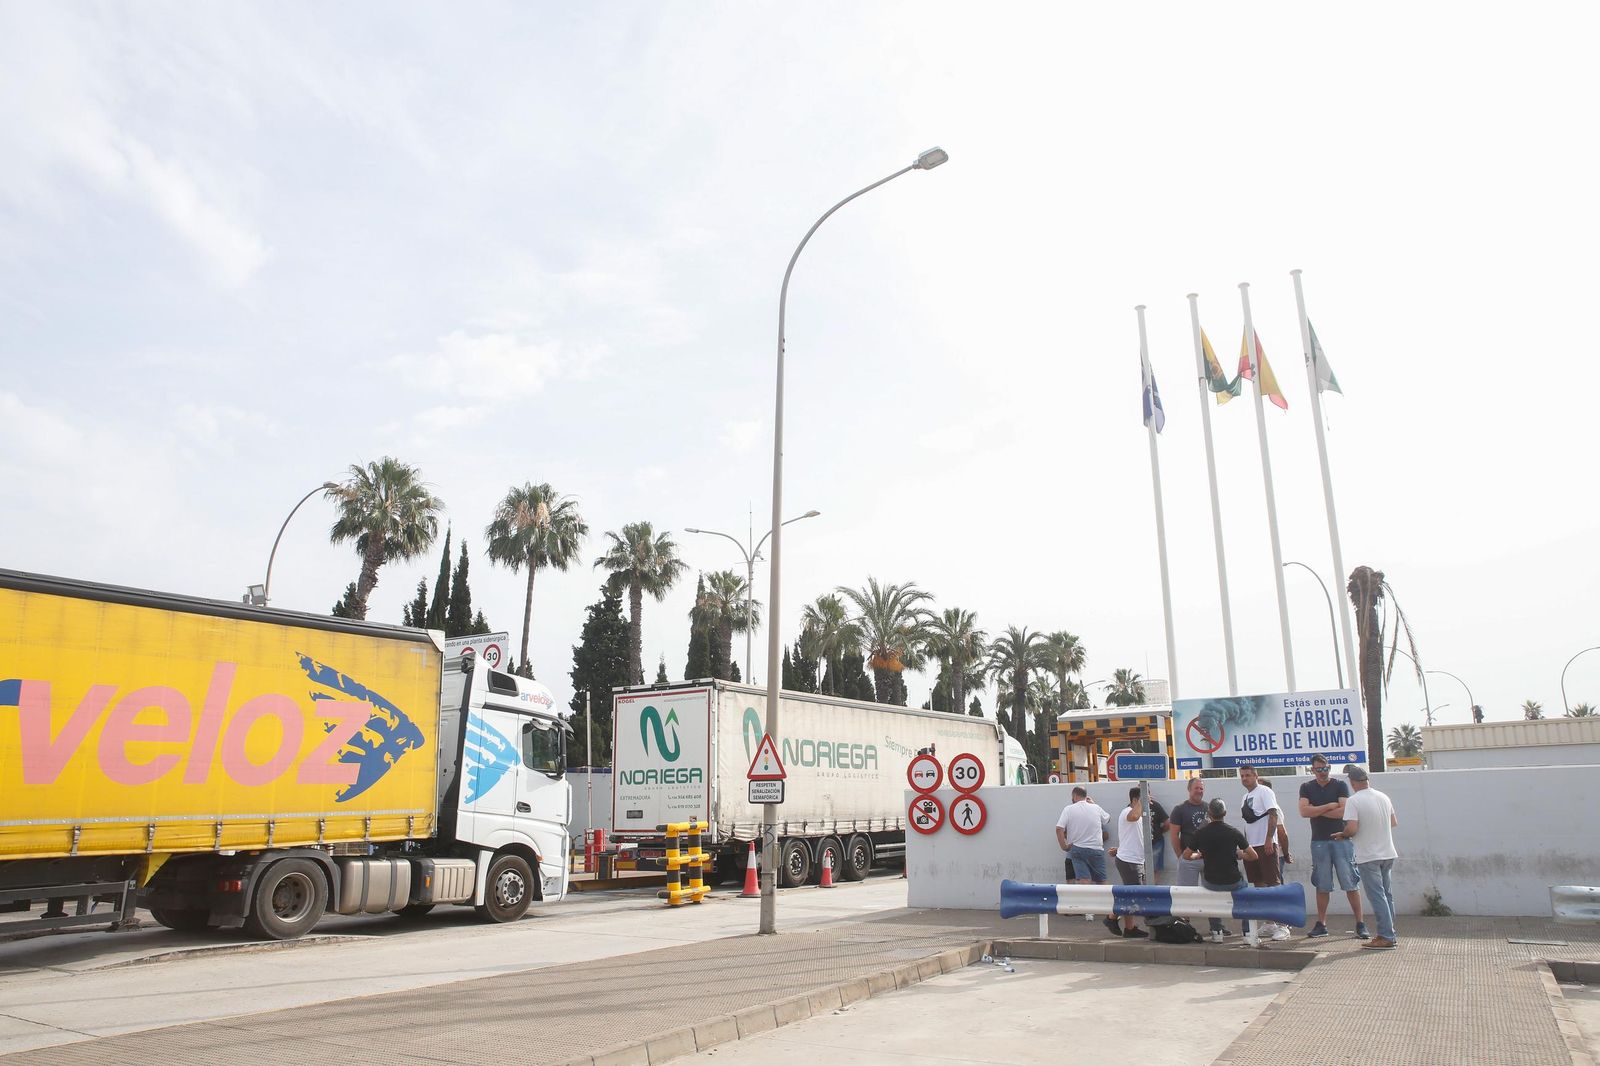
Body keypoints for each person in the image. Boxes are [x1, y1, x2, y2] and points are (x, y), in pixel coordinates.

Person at [1297, 753, 1368, 939]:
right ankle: (1322, 924)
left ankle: (1360, 923)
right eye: (1319, 769)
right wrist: (1329, 805)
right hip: (1319, 841)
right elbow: (1304, 811)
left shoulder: (1340, 785)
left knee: (1350, 882)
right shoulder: (1306, 787)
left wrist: (1317, 811)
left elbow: (1344, 811)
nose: (1323, 772)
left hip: (1341, 840)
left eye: (1326, 768)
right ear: (1312, 770)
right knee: (1322, 884)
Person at [1337, 765, 1398, 949]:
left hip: (1368, 855)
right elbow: (1393, 822)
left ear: (1352, 782)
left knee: (1377, 896)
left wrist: (1343, 834)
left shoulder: (1354, 801)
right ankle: (1388, 933)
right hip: (1388, 852)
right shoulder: (1383, 797)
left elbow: (1352, 828)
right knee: (1387, 895)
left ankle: (1386, 937)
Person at [1183, 798, 1259, 944]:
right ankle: (1247, 933)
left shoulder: (1201, 833)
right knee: (1245, 896)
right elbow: (1253, 856)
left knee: (1210, 897)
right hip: (1233, 881)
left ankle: (1217, 932)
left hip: (1212, 881)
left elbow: (1186, 855)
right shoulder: (1233, 832)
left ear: (1209, 814)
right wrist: (1239, 854)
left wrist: (1199, 855)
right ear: (1224, 813)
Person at [1237, 764, 1291, 941]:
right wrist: (1246, 847)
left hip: (1265, 844)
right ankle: (1270, 922)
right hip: (1252, 847)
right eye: (1242, 776)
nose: (1245, 778)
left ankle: (1284, 924)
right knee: (1259, 885)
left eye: (1248, 775)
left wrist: (1269, 839)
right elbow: (1247, 824)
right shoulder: (1245, 796)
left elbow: (1273, 814)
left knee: (1273, 884)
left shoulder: (1265, 792)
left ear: (1255, 776)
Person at [1055, 787, 1111, 922]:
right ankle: (1109, 910)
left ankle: (1089, 912)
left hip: (1077, 849)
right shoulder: (1096, 808)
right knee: (1101, 880)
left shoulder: (1069, 809)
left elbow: (1059, 828)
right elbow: (1107, 819)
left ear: (1074, 796)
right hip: (1096, 848)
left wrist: (1064, 846)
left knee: (1083, 880)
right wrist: (1094, 804)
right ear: (1086, 796)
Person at [1106, 787, 1150, 938]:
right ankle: (1111, 917)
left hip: (1133, 859)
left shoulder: (1138, 814)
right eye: (1145, 797)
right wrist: (1142, 801)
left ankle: (1129, 928)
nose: (1149, 800)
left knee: (1130, 894)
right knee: (1134, 895)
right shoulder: (1128, 812)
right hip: (1130, 861)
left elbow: (1132, 838)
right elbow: (1134, 816)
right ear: (1135, 800)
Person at [1168, 777, 1209, 888]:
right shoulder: (1179, 809)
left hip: (1208, 859)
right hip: (1189, 858)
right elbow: (1174, 835)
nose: (1199, 791)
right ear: (1189, 789)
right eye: (1196, 788)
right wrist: (1181, 856)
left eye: (1201, 788)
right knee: (1186, 893)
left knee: (1211, 894)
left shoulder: (1209, 808)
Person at [1148, 793, 1170, 880]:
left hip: (1156, 842)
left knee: (1155, 869)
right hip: (1139, 843)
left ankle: (1152, 891)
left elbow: (1168, 822)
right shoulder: (1132, 807)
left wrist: (1159, 831)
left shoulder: (1155, 805)